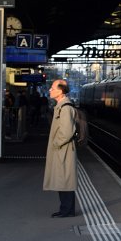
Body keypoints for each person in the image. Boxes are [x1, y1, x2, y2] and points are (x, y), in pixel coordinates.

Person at [44, 79, 79, 217]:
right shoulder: (61, 106)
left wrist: (56, 144)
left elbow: (66, 132)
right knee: (63, 179)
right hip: (62, 149)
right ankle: (66, 209)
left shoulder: (65, 108)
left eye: (52, 88)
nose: (50, 90)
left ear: (60, 91)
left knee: (64, 179)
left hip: (63, 150)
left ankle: (67, 210)